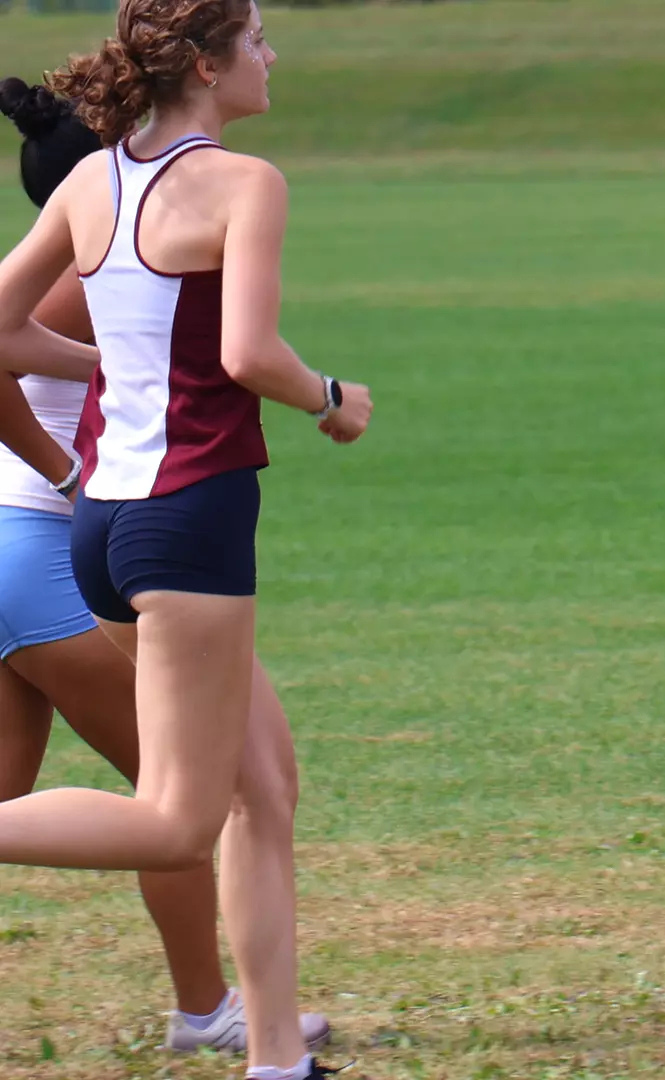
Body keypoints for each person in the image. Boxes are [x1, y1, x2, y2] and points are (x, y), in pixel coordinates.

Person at [0, 3, 372, 1076]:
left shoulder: (87, 181)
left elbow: (3, 325)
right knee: (175, 820)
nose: (271, 56)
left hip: (102, 527)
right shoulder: (247, 185)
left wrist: (122, 371)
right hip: (186, 520)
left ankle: (273, 1058)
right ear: (206, 65)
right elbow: (251, 352)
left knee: (266, 789)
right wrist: (333, 397)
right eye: (258, 39)